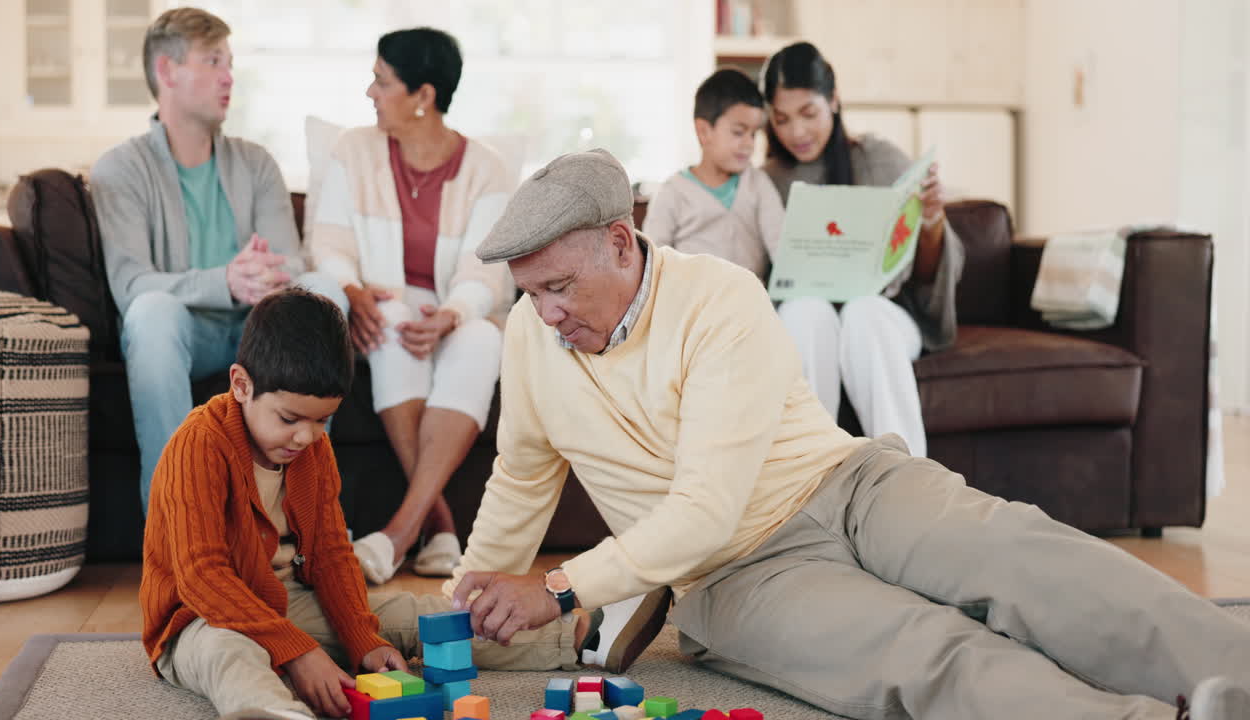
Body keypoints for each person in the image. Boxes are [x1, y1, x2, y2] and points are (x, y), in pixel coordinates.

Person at [444, 148, 1250, 720]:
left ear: (622, 242)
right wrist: (464, 602)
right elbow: (521, 477)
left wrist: (559, 588)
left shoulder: (717, 298)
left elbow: (705, 503)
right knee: (921, 653)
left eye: (559, 288)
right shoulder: (530, 333)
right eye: (530, 293)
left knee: (1027, 556)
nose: (545, 315)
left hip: (851, 486)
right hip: (732, 577)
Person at [140, 288, 590, 720]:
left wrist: (362, 640)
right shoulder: (198, 445)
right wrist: (298, 654)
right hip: (200, 619)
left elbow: (333, 556)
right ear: (241, 385)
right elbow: (203, 577)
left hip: (285, 600)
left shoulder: (312, 450)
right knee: (232, 652)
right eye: (289, 418)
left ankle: (577, 637)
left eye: (322, 421)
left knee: (415, 614)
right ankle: (274, 711)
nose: (306, 436)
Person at [90, 7, 343, 513]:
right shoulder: (120, 169)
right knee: (152, 311)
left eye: (229, 62)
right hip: (185, 333)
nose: (229, 77)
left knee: (324, 291)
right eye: (212, 61)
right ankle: (175, 524)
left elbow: (290, 263)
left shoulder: (256, 162)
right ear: (166, 71)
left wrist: (265, 277)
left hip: (259, 329)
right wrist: (225, 281)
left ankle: (306, 517)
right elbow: (133, 285)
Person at [310, 27, 513, 584]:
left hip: (459, 310)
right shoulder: (354, 149)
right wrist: (351, 292)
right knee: (395, 323)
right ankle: (442, 528)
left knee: (483, 339)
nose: (370, 93)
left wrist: (454, 314)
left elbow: (487, 266)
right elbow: (328, 242)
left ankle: (399, 534)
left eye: (382, 81)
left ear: (424, 95)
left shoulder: (486, 167)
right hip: (386, 302)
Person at [760, 41, 964, 457]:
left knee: (863, 313)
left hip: (882, 314)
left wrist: (931, 220)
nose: (796, 132)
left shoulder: (879, 159)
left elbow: (927, 276)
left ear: (834, 100)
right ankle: (809, 479)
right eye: (781, 119)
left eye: (808, 114)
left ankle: (905, 482)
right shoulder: (767, 181)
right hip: (803, 315)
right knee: (804, 310)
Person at [642, 68, 783, 281]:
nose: (749, 143)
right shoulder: (673, 192)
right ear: (703, 131)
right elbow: (653, 264)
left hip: (749, 304)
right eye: (738, 132)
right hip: (692, 305)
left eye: (754, 134)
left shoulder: (758, 184)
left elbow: (781, 246)